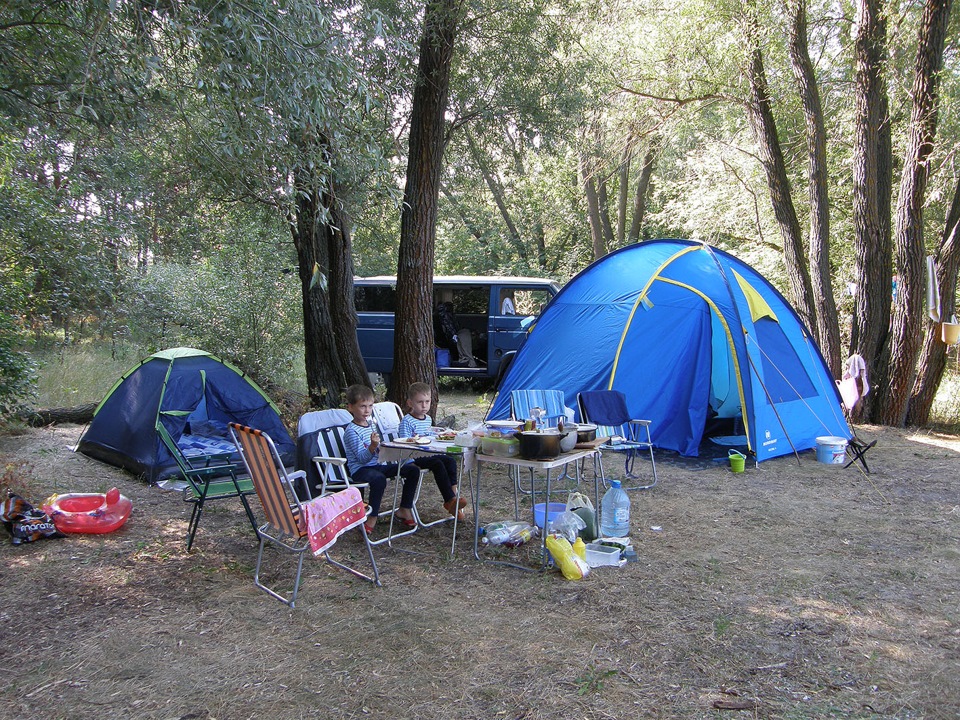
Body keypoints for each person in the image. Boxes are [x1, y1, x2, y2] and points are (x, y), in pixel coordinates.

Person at [342, 384, 420, 534]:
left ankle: (405, 508)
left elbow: (377, 450)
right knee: (379, 479)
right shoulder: (351, 431)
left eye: (370, 406)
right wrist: (372, 446)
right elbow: (362, 459)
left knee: (412, 470)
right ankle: (372, 517)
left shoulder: (371, 425)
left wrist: (382, 449)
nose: (367, 410)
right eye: (362, 406)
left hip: (377, 465)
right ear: (351, 407)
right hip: (361, 470)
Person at [397, 383, 468, 520]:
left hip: (427, 452)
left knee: (450, 460)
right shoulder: (407, 421)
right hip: (413, 456)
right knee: (437, 464)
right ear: (410, 403)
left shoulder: (427, 419)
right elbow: (404, 443)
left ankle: (453, 496)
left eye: (427, 402)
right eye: (420, 402)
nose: (424, 406)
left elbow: (428, 435)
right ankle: (450, 500)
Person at [434, 301, 477, 368]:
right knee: (465, 336)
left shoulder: (449, 315)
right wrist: (454, 335)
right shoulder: (444, 316)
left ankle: (467, 358)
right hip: (452, 337)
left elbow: (455, 327)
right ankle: (466, 359)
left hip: (456, 333)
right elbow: (449, 329)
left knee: (465, 334)